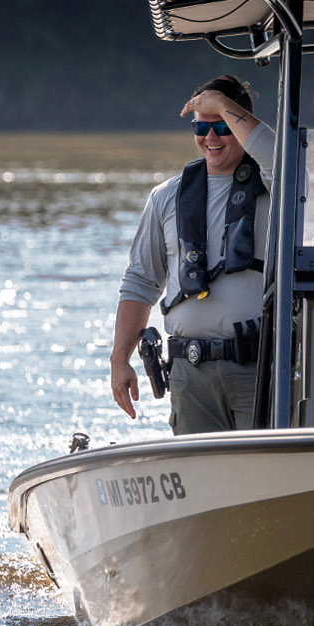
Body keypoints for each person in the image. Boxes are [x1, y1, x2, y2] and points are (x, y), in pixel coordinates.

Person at [110, 75, 273, 434]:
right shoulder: (166, 196)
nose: (210, 137)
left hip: (258, 367)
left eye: (222, 126)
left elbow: (282, 155)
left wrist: (221, 104)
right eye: (201, 125)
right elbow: (140, 282)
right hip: (190, 371)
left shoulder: (274, 184)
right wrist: (119, 359)